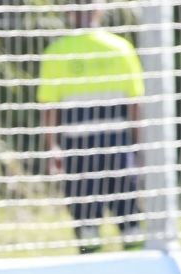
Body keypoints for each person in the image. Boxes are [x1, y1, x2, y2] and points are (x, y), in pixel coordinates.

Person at [38, 2, 146, 253]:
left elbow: (48, 107)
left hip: (80, 148)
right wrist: (140, 149)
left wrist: (52, 147)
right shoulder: (120, 48)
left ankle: (94, 269)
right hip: (116, 146)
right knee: (128, 212)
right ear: (100, 10)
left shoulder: (57, 51)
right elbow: (135, 106)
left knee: (87, 218)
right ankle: (137, 267)